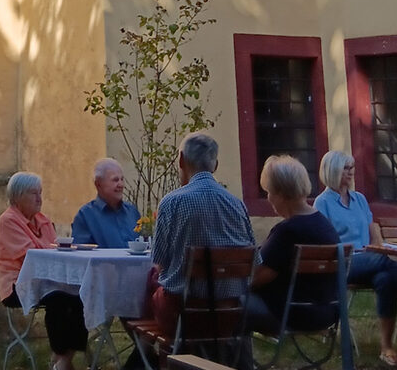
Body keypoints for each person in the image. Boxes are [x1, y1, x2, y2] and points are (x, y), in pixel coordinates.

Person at [314, 150, 397, 366]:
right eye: (346, 168)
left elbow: (373, 229)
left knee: (386, 279)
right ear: (332, 170)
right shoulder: (322, 203)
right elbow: (323, 244)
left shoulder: (359, 199)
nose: (351, 172)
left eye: (352, 167)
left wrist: (379, 247)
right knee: (383, 262)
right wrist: (370, 252)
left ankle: (386, 348)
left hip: (369, 259)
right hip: (342, 262)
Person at [150, 132, 256, 335]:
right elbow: (253, 261)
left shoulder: (172, 202)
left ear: (181, 160)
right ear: (215, 165)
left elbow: (159, 261)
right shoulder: (237, 204)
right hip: (229, 314)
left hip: (184, 315)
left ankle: (155, 360)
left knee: (149, 287)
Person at [0, 171, 88, 370]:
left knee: (82, 295)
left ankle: (63, 360)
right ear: (17, 197)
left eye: (40, 192)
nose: (39, 198)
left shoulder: (43, 220)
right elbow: (29, 258)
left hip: (48, 280)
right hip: (18, 284)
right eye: (33, 193)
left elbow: (54, 253)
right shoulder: (8, 221)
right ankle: (62, 361)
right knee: (60, 300)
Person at [246, 155, 340, 335]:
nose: (269, 198)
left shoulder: (287, 231)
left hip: (291, 315)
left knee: (224, 302)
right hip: (327, 313)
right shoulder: (325, 225)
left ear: (281, 194)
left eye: (269, 192)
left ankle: (232, 361)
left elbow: (255, 278)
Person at [72, 158, 142, 248]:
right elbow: (81, 256)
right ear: (98, 184)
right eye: (115, 180)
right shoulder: (85, 216)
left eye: (122, 179)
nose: (121, 185)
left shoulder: (132, 212)